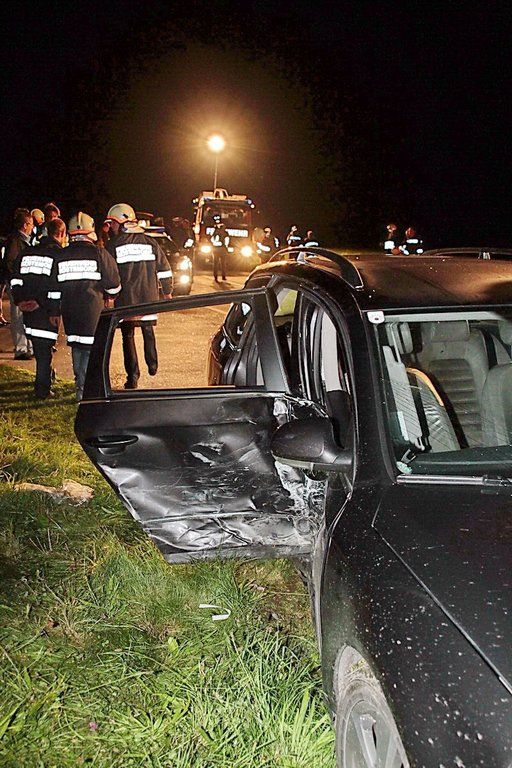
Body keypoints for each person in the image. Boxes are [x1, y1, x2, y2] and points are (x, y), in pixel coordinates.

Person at [106, 203, 172, 389]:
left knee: (128, 337)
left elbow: (109, 274)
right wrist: (167, 291)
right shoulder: (150, 242)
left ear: (122, 223)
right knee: (148, 329)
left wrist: (109, 295)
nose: (111, 227)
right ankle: (152, 364)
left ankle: (132, 378)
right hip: (148, 297)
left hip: (126, 300)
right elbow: (164, 269)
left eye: (112, 223)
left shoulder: (113, 245)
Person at [56, 212, 121, 400]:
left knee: (77, 347)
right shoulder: (99, 253)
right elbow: (114, 284)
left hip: (70, 312)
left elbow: (54, 287)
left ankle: (80, 387)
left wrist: (54, 310)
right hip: (93, 312)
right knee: (92, 351)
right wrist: (110, 295)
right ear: (90, 231)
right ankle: (88, 391)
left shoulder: (62, 255)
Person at [10, 218, 66, 398]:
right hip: (46, 311)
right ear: (61, 234)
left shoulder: (27, 252)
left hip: (28, 311)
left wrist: (20, 300)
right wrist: (45, 305)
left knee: (40, 350)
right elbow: (56, 286)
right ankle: (42, 389)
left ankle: (45, 381)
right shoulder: (57, 254)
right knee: (44, 352)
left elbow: (15, 279)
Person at [2, 209, 34, 359]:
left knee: (26, 315)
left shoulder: (24, 240)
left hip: (24, 283)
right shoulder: (15, 241)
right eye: (31, 224)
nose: (32, 227)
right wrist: (17, 280)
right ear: (25, 225)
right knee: (18, 315)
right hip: (17, 284)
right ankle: (21, 349)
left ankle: (28, 347)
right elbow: (11, 263)